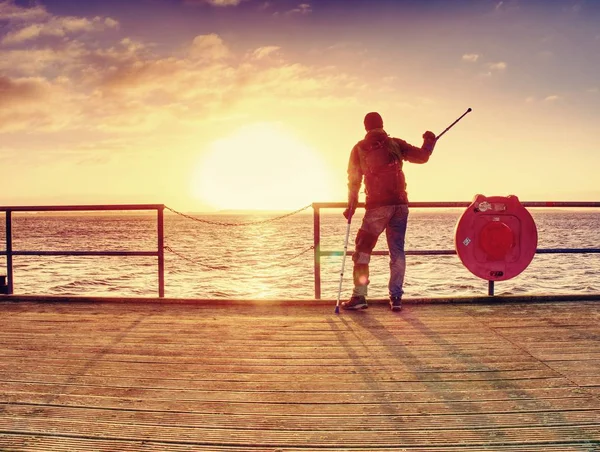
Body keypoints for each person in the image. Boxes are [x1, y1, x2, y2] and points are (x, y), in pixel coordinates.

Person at [341, 112, 436, 311]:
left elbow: (354, 180)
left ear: (365, 127)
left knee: (363, 251)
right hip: (400, 206)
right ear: (382, 125)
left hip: (377, 207)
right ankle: (396, 298)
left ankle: (359, 296)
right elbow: (423, 157)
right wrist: (429, 141)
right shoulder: (395, 144)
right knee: (397, 252)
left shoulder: (360, 148)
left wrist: (351, 205)